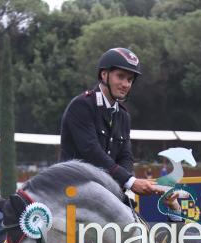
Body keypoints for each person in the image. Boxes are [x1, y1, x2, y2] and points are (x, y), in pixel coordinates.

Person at [59, 47, 160, 198]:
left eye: (130, 79)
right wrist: (130, 181)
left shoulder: (124, 116)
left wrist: (120, 187)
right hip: (73, 191)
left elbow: (126, 156)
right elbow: (91, 152)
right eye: (120, 76)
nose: (125, 84)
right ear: (104, 74)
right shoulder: (82, 105)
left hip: (107, 194)